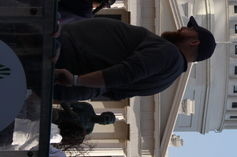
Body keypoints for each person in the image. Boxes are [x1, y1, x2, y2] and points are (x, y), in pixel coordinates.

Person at [53, 17, 216, 102]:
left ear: (194, 42)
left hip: (63, 57)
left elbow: (126, 73)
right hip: (65, 70)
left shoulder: (170, 54)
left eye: (189, 29)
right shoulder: (167, 80)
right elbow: (116, 94)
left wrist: (76, 80)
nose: (183, 27)